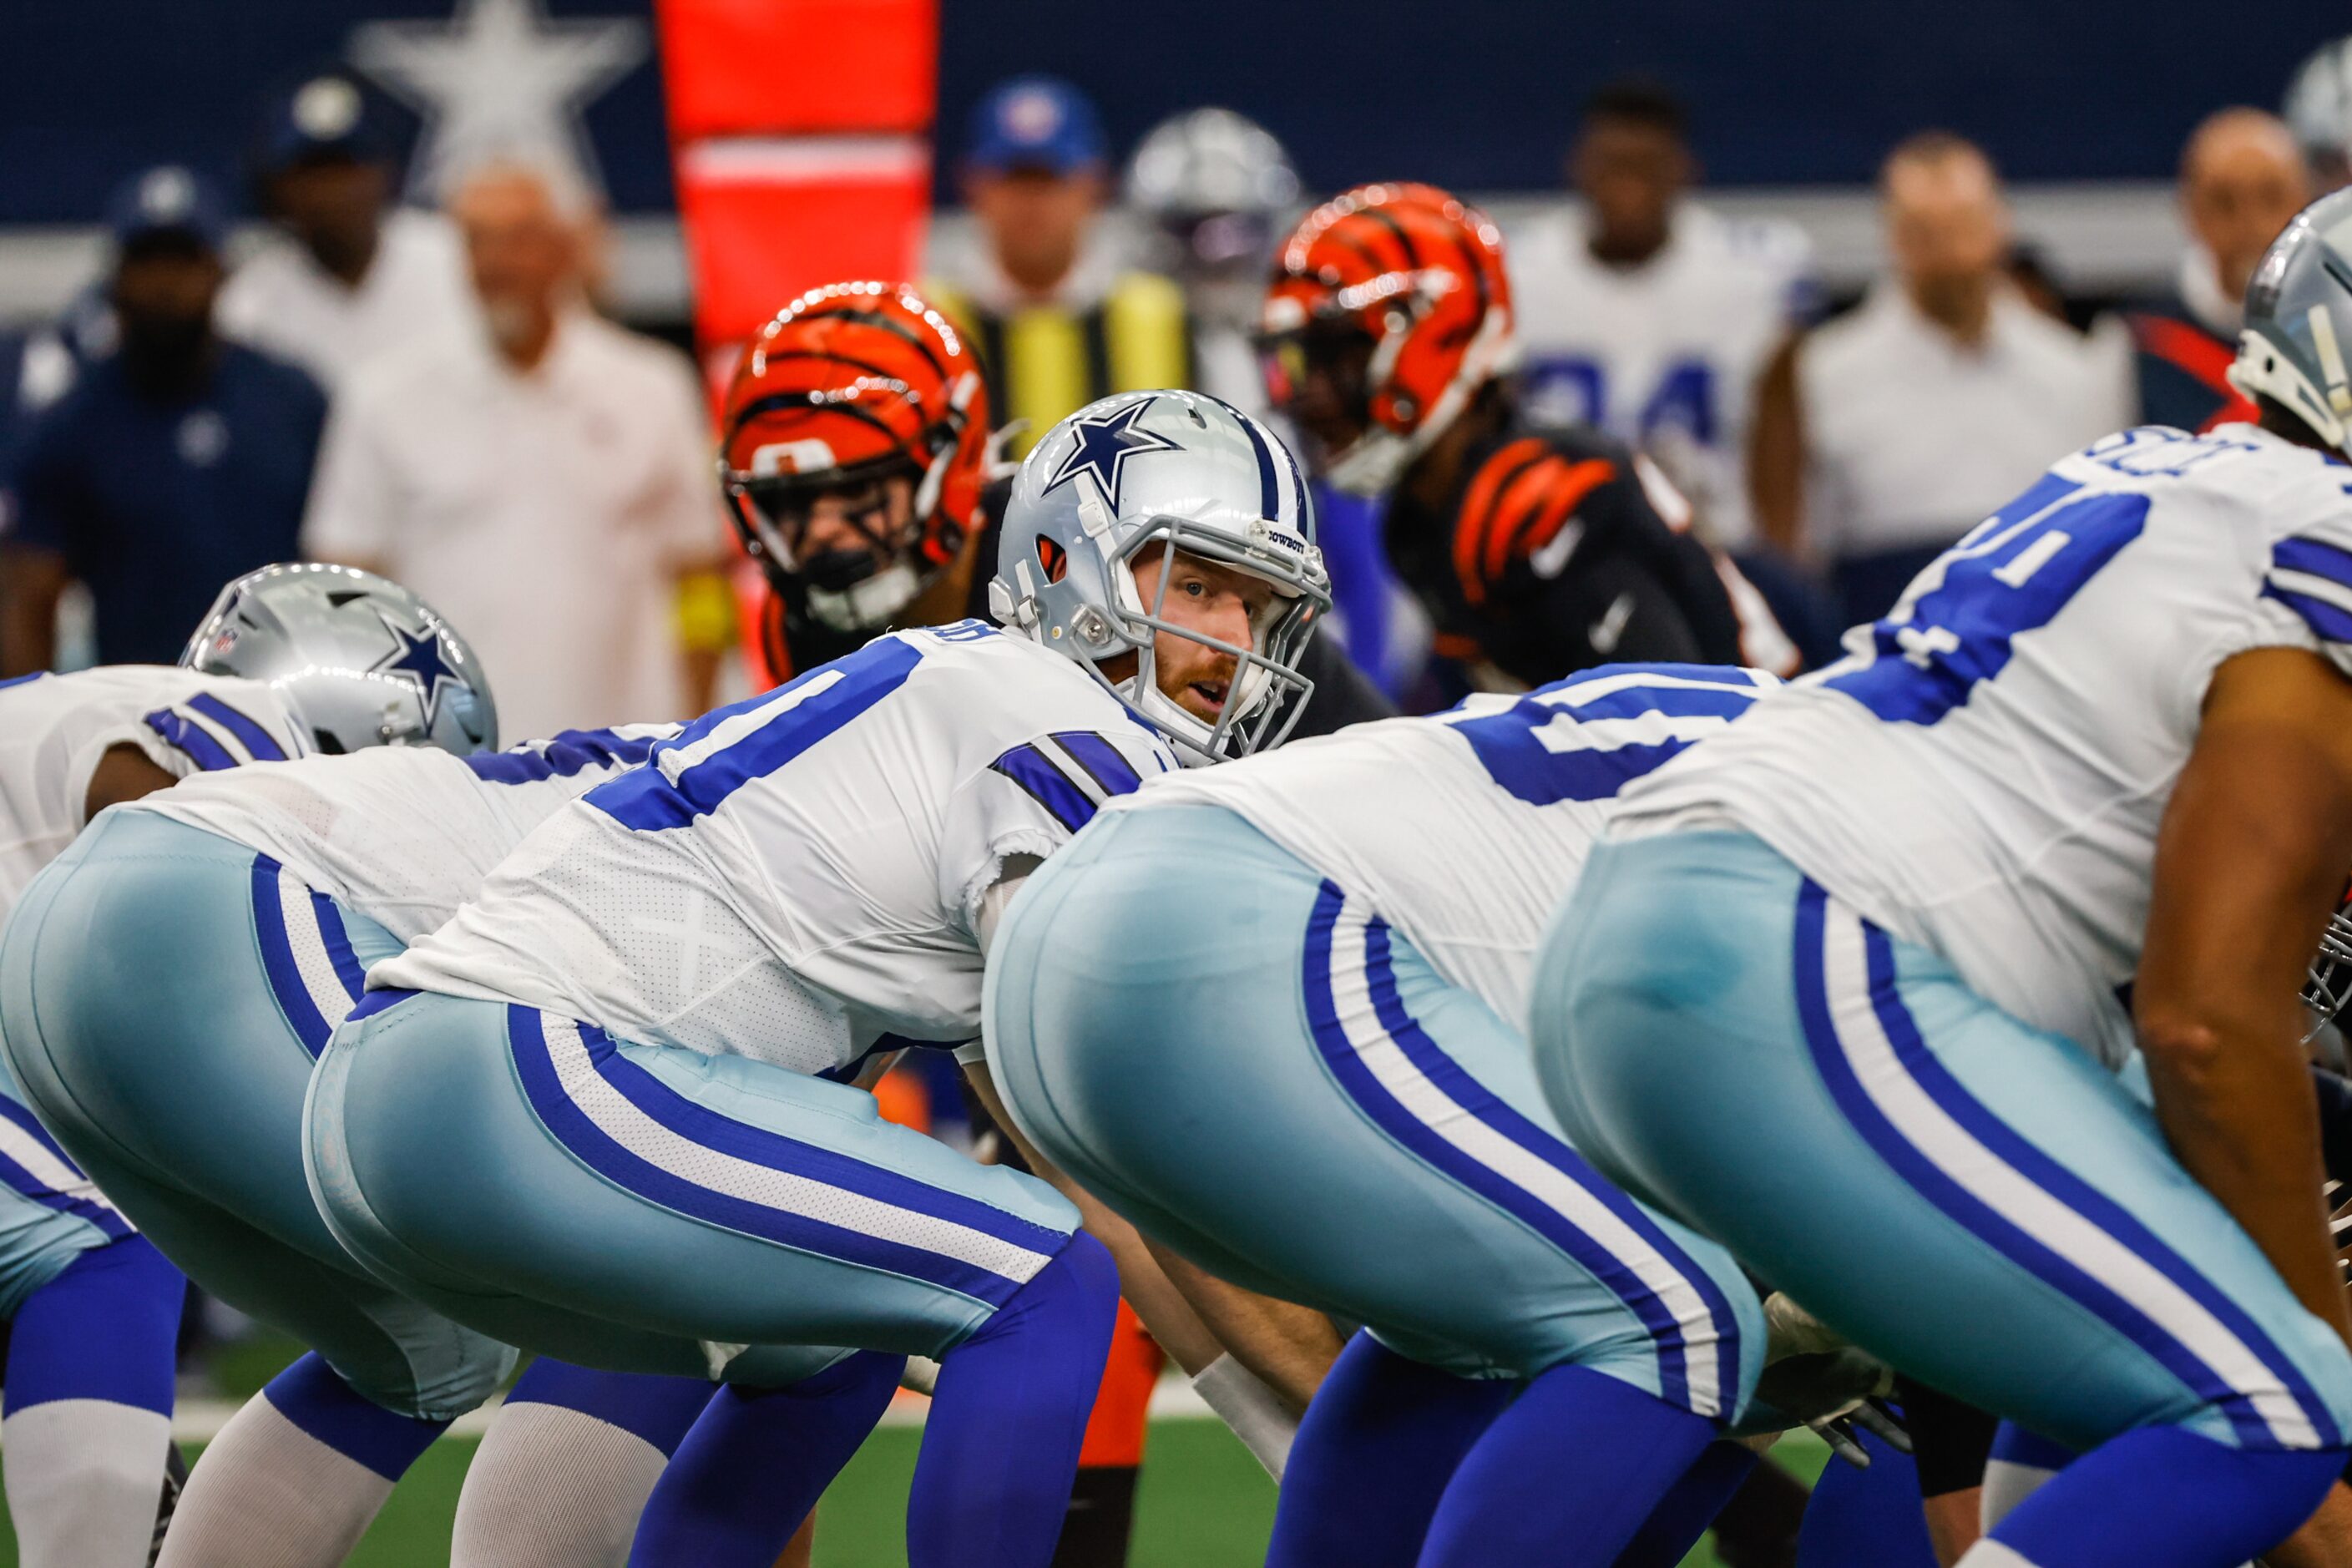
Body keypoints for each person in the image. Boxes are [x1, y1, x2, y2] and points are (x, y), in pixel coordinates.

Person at [296, 392, 1330, 1568]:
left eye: (1258, 600)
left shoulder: (960, 698)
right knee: (1038, 1282)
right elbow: (1141, 1160)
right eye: (1198, 583)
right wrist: (1343, 1422)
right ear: (1063, 559)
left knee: (848, 1322)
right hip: (537, 1071)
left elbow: (1109, 1181)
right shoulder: (1048, 714)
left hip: (423, 1088)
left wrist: (1302, 1431)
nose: (1232, 630)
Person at [1525, 190, 2352, 1568]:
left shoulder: (2150, 473)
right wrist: (2317, 1363)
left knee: (2130, 1354)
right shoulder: (2314, 547)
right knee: (2274, 1398)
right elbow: (2206, 1023)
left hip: (1642, 936)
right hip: (1813, 953)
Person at [0, 564, 851, 1568]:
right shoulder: (225, 756)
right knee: (102, 1242)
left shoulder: (100, 724)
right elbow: (163, 870)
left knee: (426, 1343)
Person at [984, 659, 1925, 1566]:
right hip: (1231, 926)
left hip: (1058, 946)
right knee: (1682, 1321)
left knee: (1482, 1335)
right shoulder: (1893, 840)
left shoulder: (1794, 755)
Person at [729, 281, 1391, 731]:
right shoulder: (802, 629)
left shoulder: (1072, 556)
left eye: (859, 494)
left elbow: (1356, 750)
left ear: (950, 464)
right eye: (790, 504)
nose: (821, 532)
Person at [1262, 182, 1803, 697]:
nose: (1312, 394)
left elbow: (1670, 723)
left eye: (1338, 357)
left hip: (1761, 769)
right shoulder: (1420, 518)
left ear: (1433, 335)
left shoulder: (1539, 498)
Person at [301, 159, 726, 739]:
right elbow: (343, 589)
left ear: (564, 250)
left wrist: (694, 731)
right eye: (479, 241)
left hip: (621, 764)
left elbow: (698, 575)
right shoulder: (385, 399)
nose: (498, 263)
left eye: (519, 239)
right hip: (444, 767)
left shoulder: (653, 388)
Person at [1749, 133, 2133, 628]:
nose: (1950, 254)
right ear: (1892, 238)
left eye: (1963, 227)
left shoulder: (2078, 371)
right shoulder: (1822, 373)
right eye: (1924, 233)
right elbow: (1799, 559)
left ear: (2000, 226)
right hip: (1882, 657)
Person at [0, 167, 326, 674]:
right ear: (114, 279)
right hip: (140, 714)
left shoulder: (292, 400)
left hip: (288, 697)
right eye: (147, 263)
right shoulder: (73, 424)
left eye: (184, 262)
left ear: (220, 271)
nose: (166, 287)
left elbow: (346, 560)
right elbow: (29, 594)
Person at [1511, 79, 1817, 554]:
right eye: (1613, 167)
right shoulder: (1518, 275)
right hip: (1561, 553)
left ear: (1683, 171)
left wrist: (1783, 556)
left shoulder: (1750, 275)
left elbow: (1780, 430)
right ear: (1580, 169)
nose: (1628, 187)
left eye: (1646, 168)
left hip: (1712, 547)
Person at [926, 77, 1192, 458]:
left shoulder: (1163, 317)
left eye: (1051, 178)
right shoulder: (931, 324)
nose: (1032, 202)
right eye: (1014, 178)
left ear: (1095, 184)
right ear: (971, 184)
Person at [216, 68, 475, 392]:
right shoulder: (248, 306)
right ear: (278, 191)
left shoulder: (457, 263)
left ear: (385, 174)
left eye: (346, 169)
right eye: (313, 173)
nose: (331, 193)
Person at [2127, 109, 2311, 432]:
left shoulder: (2340, 329)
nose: (2251, 226)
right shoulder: (2138, 345)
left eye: (2272, 197)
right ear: (2191, 211)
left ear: (2306, 202)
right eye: (2224, 202)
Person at [1125, 107, 1302, 415]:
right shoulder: (1114, 339)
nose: (1217, 255)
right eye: (1192, 228)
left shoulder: (1301, 340)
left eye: (1240, 229)